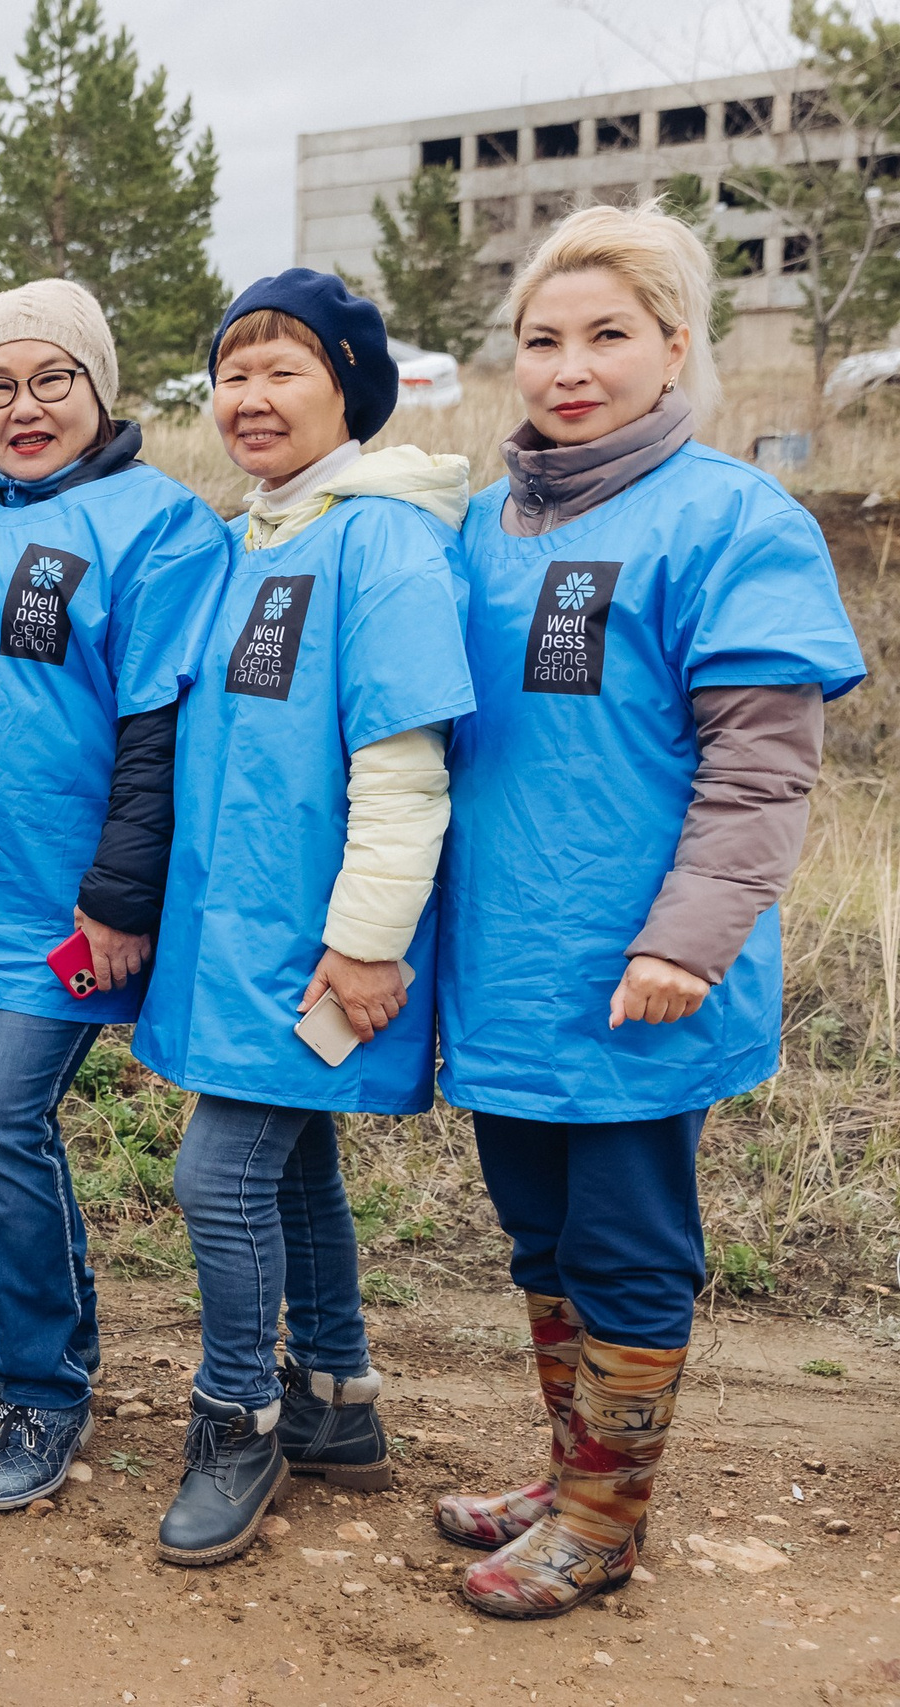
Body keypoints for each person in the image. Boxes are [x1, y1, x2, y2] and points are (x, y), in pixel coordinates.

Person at [435, 204, 864, 1619]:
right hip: (508, 959)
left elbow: (760, 769)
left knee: (625, 1246)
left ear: (675, 347)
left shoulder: (734, 519)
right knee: (540, 1238)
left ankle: (604, 1523)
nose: (570, 367)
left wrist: (686, 938)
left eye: (607, 335)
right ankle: (570, 1476)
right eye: (542, 339)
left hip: (639, 967)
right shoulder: (482, 525)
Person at [0, 280, 227, 1510]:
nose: (23, 408)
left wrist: (119, 895)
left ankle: (45, 1392)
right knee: (4, 1127)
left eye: (50, 380)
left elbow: (157, 726)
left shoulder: (160, 526)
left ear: (99, 389)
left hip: (59, 909)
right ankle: (55, 1336)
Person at [131, 271, 476, 1567]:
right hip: (245, 935)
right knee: (293, 1161)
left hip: (324, 945)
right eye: (233, 372)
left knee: (217, 1174)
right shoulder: (258, 536)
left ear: (350, 388)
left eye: (285, 369)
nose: (251, 396)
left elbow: (404, 767)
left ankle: (240, 1418)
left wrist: (369, 941)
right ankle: (336, 1399)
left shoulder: (383, 542)